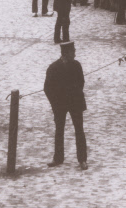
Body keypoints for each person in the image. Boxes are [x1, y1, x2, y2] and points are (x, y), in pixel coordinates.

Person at [44, 41, 88, 170]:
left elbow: (81, 82)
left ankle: (82, 159)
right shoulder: (53, 68)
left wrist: (75, 94)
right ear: (66, 53)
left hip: (75, 103)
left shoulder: (76, 65)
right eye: (73, 51)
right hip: (60, 105)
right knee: (59, 131)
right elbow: (47, 88)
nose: (75, 53)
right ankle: (58, 158)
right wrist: (55, 104)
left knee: (79, 130)